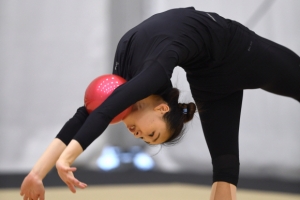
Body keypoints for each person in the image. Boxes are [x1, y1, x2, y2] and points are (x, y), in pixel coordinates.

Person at [20, 7, 300, 200]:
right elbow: (91, 113)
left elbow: (97, 113)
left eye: (147, 137)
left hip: (238, 54)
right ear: (163, 107)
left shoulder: (147, 76)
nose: (139, 136)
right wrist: (37, 174)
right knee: (225, 174)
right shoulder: (144, 78)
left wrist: (63, 160)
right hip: (213, 81)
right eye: (151, 135)